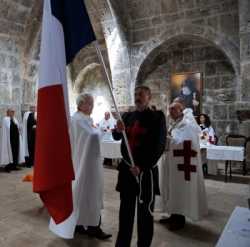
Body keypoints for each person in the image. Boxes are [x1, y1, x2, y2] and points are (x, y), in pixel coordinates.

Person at [49, 93, 111, 240]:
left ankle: (86, 224)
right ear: (80, 104)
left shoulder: (86, 119)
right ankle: (91, 227)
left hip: (91, 165)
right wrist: (99, 131)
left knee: (89, 195)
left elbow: (94, 136)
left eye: (92, 103)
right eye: (89, 103)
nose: (92, 106)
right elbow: (89, 138)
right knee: (84, 195)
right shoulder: (77, 120)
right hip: (82, 164)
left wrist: (99, 130)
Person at [113, 86, 166, 247]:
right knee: (125, 213)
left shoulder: (157, 117)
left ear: (149, 97)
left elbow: (159, 145)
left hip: (145, 173)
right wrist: (118, 129)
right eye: (135, 94)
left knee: (145, 214)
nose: (137, 97)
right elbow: (117, 136)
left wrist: (143, 167)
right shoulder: (127, 116)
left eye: (141, 94)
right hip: (127, 170)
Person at [159, 102, 208, 230]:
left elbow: (185, 142)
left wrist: (167, 139)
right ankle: (172, 214)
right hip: (173, 162)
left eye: (173, 109)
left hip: (183, 165)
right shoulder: (175, 123)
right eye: (169, 110)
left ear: (181, 110)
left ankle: (179, 219)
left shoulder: (187, 124)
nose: (170, 112)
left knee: (179, 190)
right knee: (171, 188)